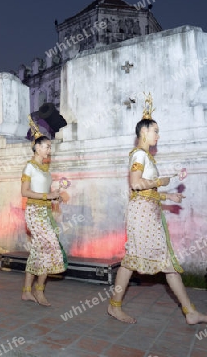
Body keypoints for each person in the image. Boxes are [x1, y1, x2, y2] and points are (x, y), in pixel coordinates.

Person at [108, 93, 207, 324]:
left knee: (167, 263)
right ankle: (114, 305)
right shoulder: (139, 155)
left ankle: (190, 312)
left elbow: (145, 189)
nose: (158, 135)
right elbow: (135, 183)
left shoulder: (147, 157)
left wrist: (168, 194)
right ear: (144, 132)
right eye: (155, 131)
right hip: (141, 215)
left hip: (149, 212)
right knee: (131, 260)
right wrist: (159, 181)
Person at [21, 116, 67, 306]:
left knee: (39, 252)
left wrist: (55, 195)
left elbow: (45, 192)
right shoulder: (29, 167)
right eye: (47, 146)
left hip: (45, 213)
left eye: (50, 147)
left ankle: (27, 291)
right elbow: (24, 192)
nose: (49, 149)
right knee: (48, 248)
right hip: (33, 212)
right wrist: (47, 196)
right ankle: (39, 291)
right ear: (37, 147)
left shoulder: (46, 170)